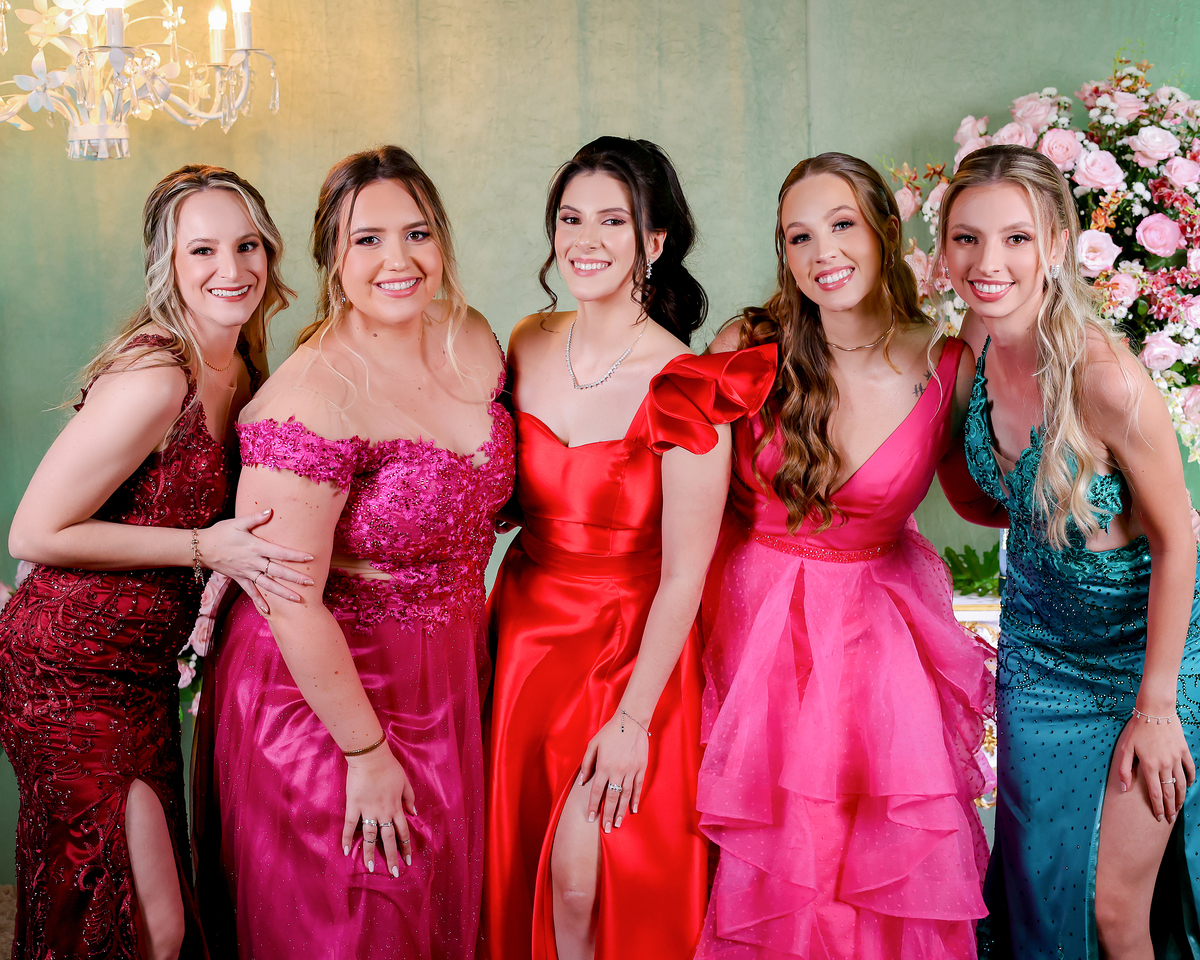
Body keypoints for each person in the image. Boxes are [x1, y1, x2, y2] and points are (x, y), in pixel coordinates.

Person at [194, 145, 514, 960]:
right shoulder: (311, 396)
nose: (398, 261)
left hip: (445, 665)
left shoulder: (470, 336)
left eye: (417, 233)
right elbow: (287, 598)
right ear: (332, 259)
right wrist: (365, 755)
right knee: (363, 913)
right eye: (367, 239)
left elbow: (480, 494)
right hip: (324, 682)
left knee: (438, 909)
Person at [696, 152, 996, 959]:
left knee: (866, 865)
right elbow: (686, 505)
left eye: (842, 225)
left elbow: (980, 498)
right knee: (772, 863)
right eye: (799, 236)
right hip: (755, 635)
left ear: (886, 231)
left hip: (876, 641)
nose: (822, 252)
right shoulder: (748, 347)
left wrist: (1097, 495)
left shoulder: (946, 364)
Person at [484, 136, 775, 960]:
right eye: (570, 218)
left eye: (612, 221)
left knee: (586, 882)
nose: (585, 239)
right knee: (515, 863)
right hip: (526, 636)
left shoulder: (687, 383)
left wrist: (634, 720)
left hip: (630, 648)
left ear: (654, 241)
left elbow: (686, 573)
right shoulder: (526, 341)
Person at [0, 164, 301, 960]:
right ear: (167, 262)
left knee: (128, 909)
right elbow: (33, 532)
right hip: (70, 673)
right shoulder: (157, 374)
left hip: (142, 676)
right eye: (202, 250)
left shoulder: (241, 367)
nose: (230, 268)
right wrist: (202, 547)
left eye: (246, 246)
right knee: (144, 919)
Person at [942, 142, 1200, 958]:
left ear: (1056, 243)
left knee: (1114, 911)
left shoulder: (1105, 378)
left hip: (1146, 655)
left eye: (1016, 237)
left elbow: (1179, 539)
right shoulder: (974, 346)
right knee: (1037, 892)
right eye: (967, 238)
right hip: (1038, 656)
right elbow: (986, 494)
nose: (988, 263)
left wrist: (1156, 708)